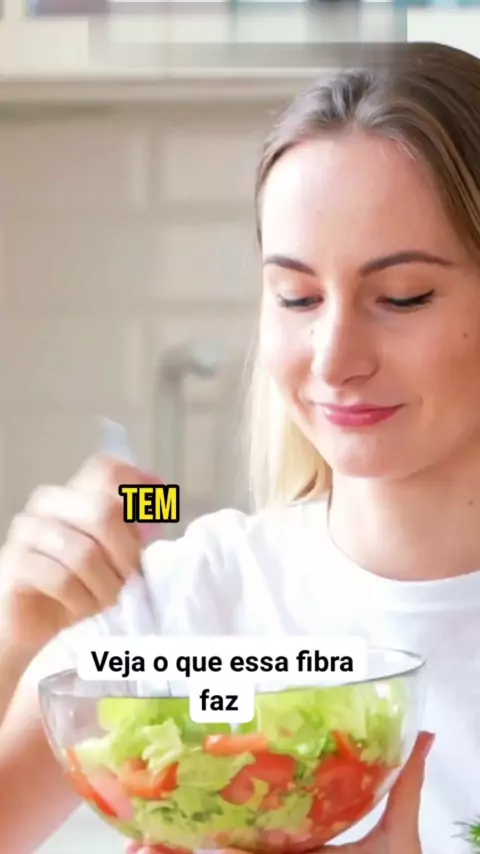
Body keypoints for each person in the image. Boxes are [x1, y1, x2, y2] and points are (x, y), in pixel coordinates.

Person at [0, 38, 479, 854]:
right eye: (296, 297)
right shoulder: (181, 606)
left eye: (403, 297)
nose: (333, 360)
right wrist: (12, 635)